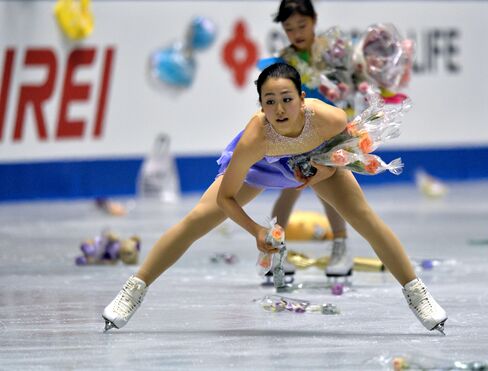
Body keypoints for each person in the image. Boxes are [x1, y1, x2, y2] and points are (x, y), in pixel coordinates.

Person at [102, 63, 448, 334]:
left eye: (286, 99)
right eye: (270, 101)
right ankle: (133, 290)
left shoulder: (329, 119)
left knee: (366, 220)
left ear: (301, 98)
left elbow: (343, 160)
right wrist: (255, 231)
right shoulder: (255, 137)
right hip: (263, 169)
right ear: (260, 105)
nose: (280, 109)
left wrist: (314, 173)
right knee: (196, 221)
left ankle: (417, 294)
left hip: (317, 165)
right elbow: (226, 199)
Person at [270, 0, 353, 278]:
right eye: (289, 27)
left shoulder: (334, 52)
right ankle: (275, 248)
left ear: (315, 20)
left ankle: (340, 245)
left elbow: (351, 85)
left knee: (330, 190)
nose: (297, 32)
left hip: (328, 133)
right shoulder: (284, 59)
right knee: (289, 187)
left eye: (302, 25)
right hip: (295, 134)